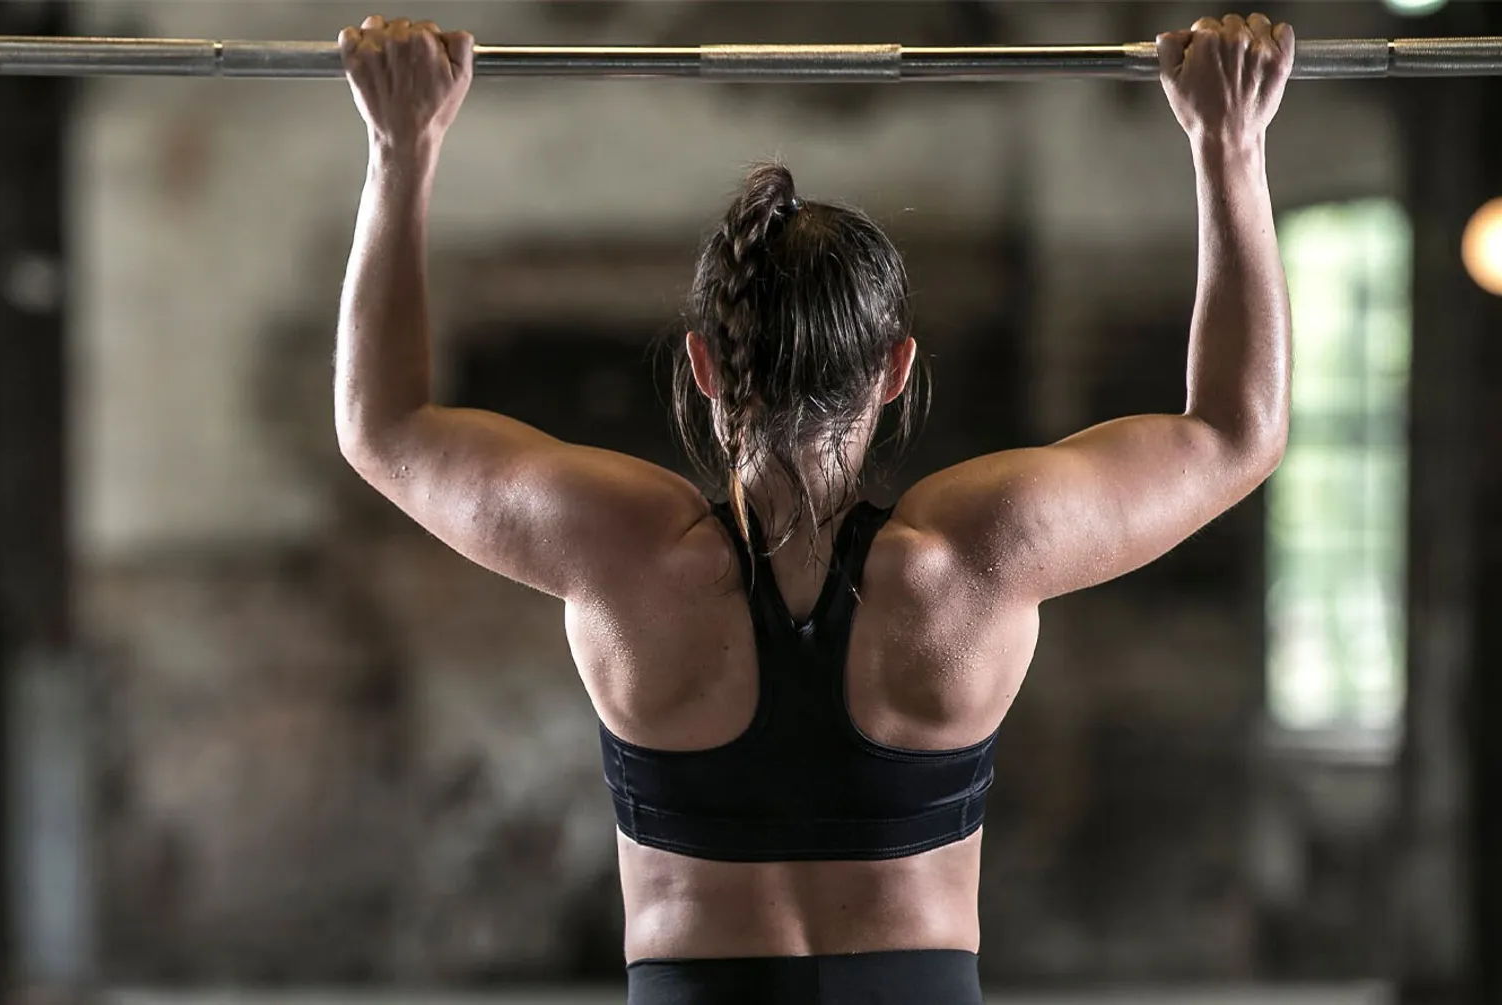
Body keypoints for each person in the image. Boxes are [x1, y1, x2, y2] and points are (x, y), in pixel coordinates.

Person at [334, 12, 1294, 1004]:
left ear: (705, 367)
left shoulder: (626, 555)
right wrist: (1229, 143)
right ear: (894, 371)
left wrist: (402, 144)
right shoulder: (971, 558)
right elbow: (1236, 431)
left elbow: (383, 425)